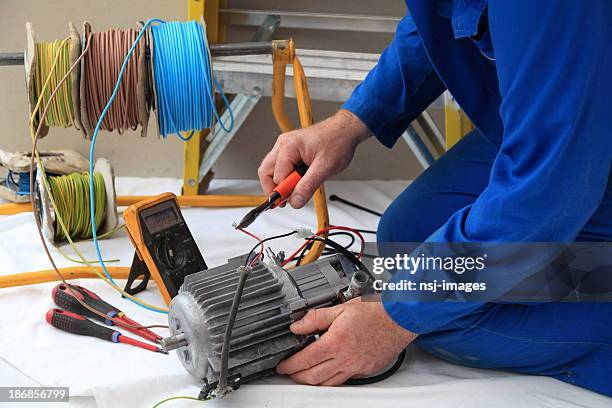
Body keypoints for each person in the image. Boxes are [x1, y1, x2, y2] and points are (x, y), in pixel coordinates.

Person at [257, 0, 612, 397]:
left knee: (439, 316)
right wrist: (350, 123)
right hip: (561, 117)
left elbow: (545, 191)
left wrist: (393, 319)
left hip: (583, 141)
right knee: (409, 240)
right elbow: (433, 19)